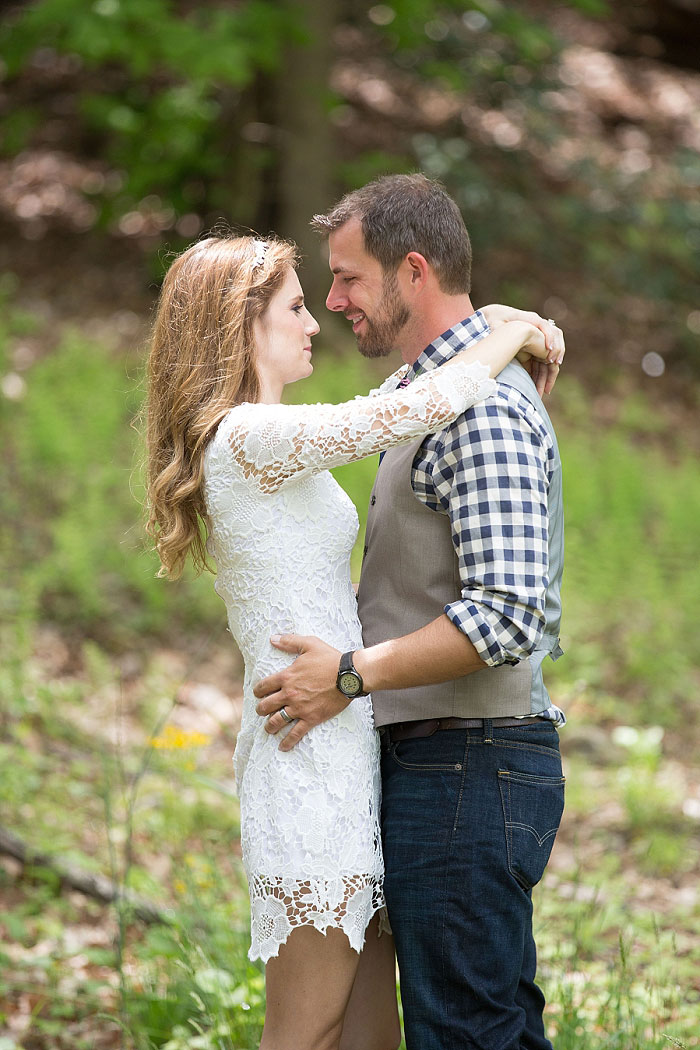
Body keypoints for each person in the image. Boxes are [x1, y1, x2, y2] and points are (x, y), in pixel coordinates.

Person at [145, 228, 562, 1050]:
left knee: (368, 1035)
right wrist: (509, 330)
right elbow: (408, 410)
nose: (316, 322)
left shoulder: (270, 441)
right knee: (306, 1030)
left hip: (347, 745)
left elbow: (415, 395)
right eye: (297, 307)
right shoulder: (244, 438)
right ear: (241, 325)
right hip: (307, 758)